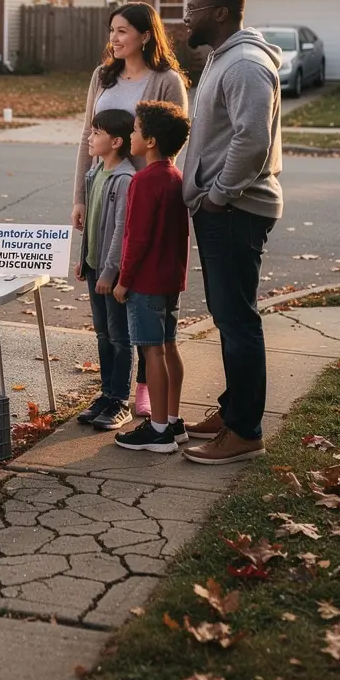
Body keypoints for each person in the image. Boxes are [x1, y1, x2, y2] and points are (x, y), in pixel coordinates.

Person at [179, 0, 283, 466]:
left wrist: (219, 195)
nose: (186, 15)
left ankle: (244, 431)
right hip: (224, 209)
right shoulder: (224, 58)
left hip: (236, 210)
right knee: (228, 316)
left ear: (220, 13)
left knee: (237, 319)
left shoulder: (244, 64)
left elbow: (252, 140)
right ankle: (233, 410)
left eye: (194, 7)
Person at [72, 2, 188, 418]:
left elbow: (174, 140)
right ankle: (115, 389)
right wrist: (80, 197)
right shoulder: (102, 77)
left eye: (123, 31)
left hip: (142, 200)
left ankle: (142, 388)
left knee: (134, 295)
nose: (115, 38)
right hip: (104, 193)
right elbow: (88, 136)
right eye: (112, 30)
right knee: (107, 299)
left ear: (145, 34)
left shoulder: (166, 80)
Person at [113, 101, 191, 454]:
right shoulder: (176, 178)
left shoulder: (145, 181)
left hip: (145, 281)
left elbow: (137, 237)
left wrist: (123, 280)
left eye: (136, 129)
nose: (131, 134)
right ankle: (173, 420)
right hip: (170, 279)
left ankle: (158, 430)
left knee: (152, 351)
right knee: (169, 345)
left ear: (151, 140)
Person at [74, 108, 136, 431]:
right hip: (95, 269)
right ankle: (106, 392)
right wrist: (84, 260)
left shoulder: (124, 179)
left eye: (96, 133)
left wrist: (111, 272)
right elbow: (93, 225)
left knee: (119, 336)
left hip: (112, 275)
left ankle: (120, 400)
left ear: (115, 141)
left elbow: (120, 230)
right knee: (102, 333)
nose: (90, 137)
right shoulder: (95, 174)